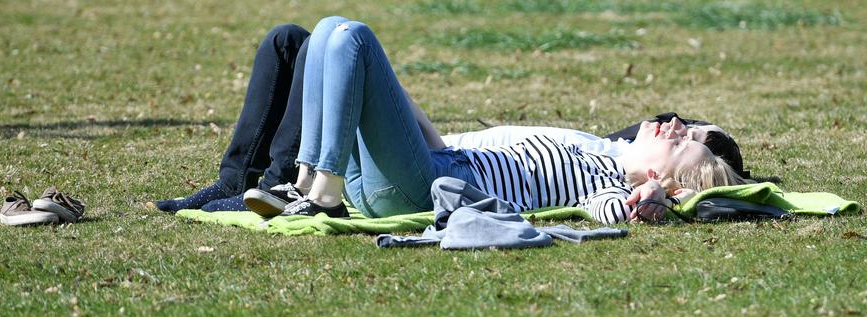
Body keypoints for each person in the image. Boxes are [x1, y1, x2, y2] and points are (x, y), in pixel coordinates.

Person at [156, 21, 748, 222]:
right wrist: (394, 99)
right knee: (332, 31)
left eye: (685, 143)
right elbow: (453, 150)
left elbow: (607, 212)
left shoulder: (608, 182)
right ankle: (313, 179)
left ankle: (319, 186)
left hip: (418, 184)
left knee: (354, 36)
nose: (675, 127)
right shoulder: (596, 148)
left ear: (669, 183)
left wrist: (648, 198)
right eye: (683, 127)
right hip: (426, 163)